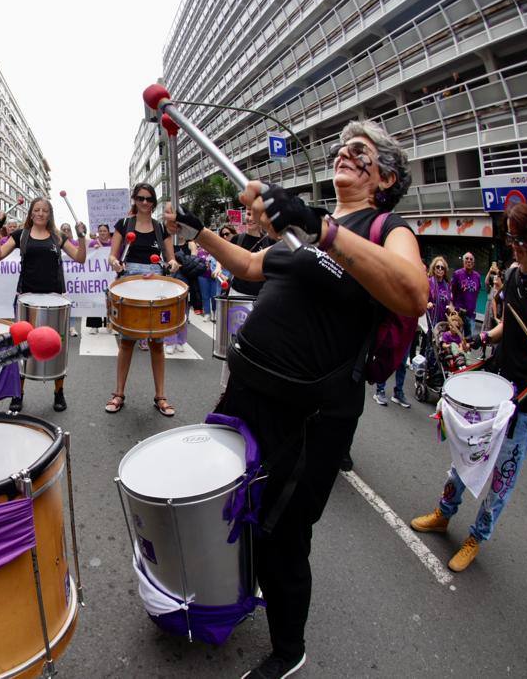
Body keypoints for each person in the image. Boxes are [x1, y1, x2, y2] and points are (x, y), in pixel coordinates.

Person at [166, 120, 424, 678]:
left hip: (310, 412)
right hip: (249, 390)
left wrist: (321, 227)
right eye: (342, 149)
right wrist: (201, 234)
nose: (346, 156)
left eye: (361, 152)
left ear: (386, 176)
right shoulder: (302, 234)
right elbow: (255, 268)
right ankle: (233, 594)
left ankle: (288, 650)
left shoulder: (385, 227)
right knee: (231, 502)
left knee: (283, 530)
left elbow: (413, 293)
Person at [411, 202, 527, 572]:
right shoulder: (512, 276)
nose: (513, 245)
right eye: (509, 238)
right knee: (464, 458)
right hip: (495, 387)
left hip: (525, 400)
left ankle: (475, 538)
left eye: (518, 237)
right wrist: (482, 336)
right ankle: (443, 512)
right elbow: (505, 329)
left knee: (502, 479)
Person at [0, 197, 86, 412]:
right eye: (37, 210)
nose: (40, 213)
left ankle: (59, 392)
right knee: (21, 347)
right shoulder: (21, 235)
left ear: (49, 214)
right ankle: (18, 393)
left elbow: (80, 258)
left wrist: (81, 236)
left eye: (45, 210)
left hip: (55, 299)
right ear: (31, 213)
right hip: (26, 298)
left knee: (57, 347)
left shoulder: (57, 236)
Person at [106, 183, 181, 416]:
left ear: (154, 202)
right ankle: (118, 393)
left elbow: (173, 260)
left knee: (157, 343)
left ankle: (161, 396)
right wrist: (115, 262)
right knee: (127, 342)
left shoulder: (160, 228)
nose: (145, 203)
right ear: (134, 199)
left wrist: (172, 264)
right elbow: (112, 255)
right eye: (140, 198)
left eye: (149, 199)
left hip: (157, 284)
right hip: (130, 284)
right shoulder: (124, 225)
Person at [228, 207, 272, 296]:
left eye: (255, 215)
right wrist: (218, 268)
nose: (251, 218)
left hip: (262, 296)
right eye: (248, 214)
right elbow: (224, 257)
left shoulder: (270, 241)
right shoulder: (236, 239)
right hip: (238, 294)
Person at [87, 224, 112, 335]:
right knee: (95, 299)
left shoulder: (113, 243)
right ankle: (94, 325)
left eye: (104, 231)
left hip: (110, 276)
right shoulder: (93, 243)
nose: (102, 233)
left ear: (108, 232)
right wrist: (94, 250)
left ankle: (110, 324)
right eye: (100, 231)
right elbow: (88, 257)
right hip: (96, 277)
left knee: (111, 301)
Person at [451, 251, 481, 337]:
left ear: (474, 262)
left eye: (471, 259)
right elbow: (453, 291)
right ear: (463, 261)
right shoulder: (457, 274)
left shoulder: (477, 276)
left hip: (471, 314)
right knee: (456, 339)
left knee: (468, 341)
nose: (469, 261)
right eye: (467, 259)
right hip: (458, 313)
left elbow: (477, 292)